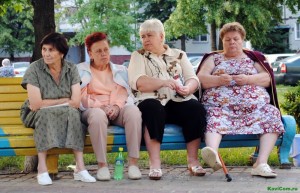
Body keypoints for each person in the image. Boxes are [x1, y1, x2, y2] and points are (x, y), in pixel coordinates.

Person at [196, 22, 285, 178]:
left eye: (235, 39)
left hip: (255, 111)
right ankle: (213, 155)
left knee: (271, 113)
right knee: (213, 117)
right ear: (222, 41)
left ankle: (261, 163)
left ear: (242, 39)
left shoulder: (253, 57)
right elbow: (200, 79)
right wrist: (218, 80)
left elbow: (266, 78)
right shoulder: (214, 58)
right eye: (227, 39)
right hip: (220, 109)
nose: (232, 42)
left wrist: (248, 79)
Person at [128, 19, 207, 180]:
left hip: (177, 99)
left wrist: (188, 88)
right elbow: (139, 83)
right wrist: (163, 82)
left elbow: (193, 79)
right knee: (153, 108)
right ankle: (155, 164)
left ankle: (193, 161)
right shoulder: (138, 56)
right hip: (151, 99)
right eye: (142, 36)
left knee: (196, 108)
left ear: (161, 36)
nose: (145, 40)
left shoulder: (179, 55)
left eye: (149, 35)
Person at [21, 32, 96, 185]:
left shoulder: (71, 69)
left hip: (65, 111)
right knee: (45, 114)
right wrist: (63, 100)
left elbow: (75, 101)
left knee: (74, 114)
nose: (46, 54)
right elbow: (35, 105)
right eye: (44, 49)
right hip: (36, 114)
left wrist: (50, 102)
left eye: (51, 50)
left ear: (61, 53)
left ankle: (80, 168)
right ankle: (42, 169)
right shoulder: (34, 69)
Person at [77, 32, 142, 181]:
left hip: (116, 108)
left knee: (133, 111)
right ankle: (102, 166)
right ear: (90, 53)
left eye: (106, 50)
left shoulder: (121, 70)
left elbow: (126, 94)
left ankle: (133, 164)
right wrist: (101, 107)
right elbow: (81, 96)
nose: (103, 54)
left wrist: (117, 107)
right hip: (92, 110)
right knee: (98, 116)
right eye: (98, 51)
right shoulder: (80, 70)